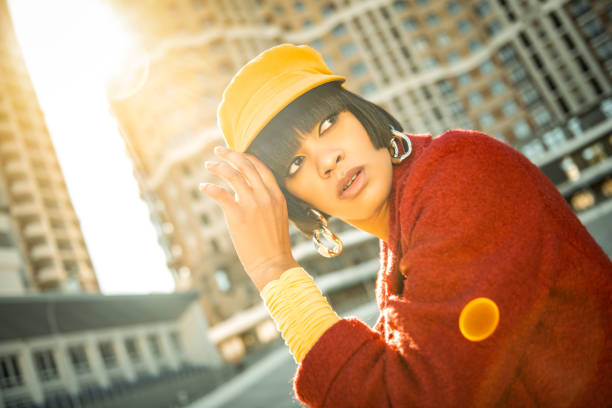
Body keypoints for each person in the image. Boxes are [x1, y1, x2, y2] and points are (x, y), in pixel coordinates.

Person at [199, 44, 612, 407]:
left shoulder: (461, 174)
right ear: (297, 203)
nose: (327, 160)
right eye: (295, 163)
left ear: (361, 114)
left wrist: (275, 270)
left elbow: (414, 397)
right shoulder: (399, 244)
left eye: (328, 124)